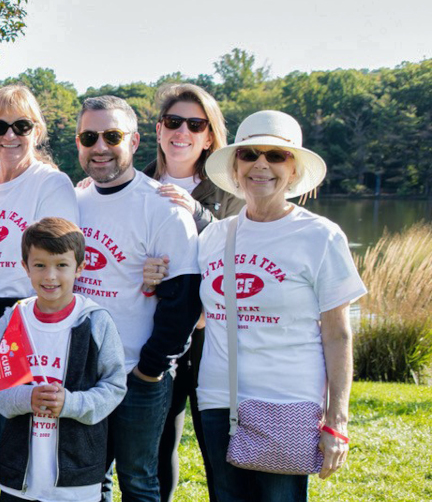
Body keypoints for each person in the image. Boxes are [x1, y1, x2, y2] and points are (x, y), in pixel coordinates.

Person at [195, 110, 363, 501]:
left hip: (286, 400)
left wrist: (337, 421)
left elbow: (337, 335)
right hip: (218, 398)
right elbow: (201, 316)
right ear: (235, 167)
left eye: (276, 155)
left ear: (293, 170)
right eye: (249, 154)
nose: (261, 165)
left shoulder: (320, 236)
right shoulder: (214, 237)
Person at [71, 95, 202, 502]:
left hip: (137, 375)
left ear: (134, 140)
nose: (100, 147)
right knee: (88, 480)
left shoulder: (163, 208)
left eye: (112, 136)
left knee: (139, 481)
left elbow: (183, 302)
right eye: (89, 137)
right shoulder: (71, 202)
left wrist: (150, 369)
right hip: (80, 373)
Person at [0, 84, 80, 501]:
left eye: (21, 126)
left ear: (37, 131)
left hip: (27, 321)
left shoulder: (51, 184)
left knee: (26, 445)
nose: (9, 135)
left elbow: (58, 259)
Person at [138, 83, 242, 501]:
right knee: (158, 442)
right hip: (154, 333)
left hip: (209, 337)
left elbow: (239, 255)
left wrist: (197, 212)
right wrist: (145, 273)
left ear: (210, 136)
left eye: (195, 125)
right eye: (173, 121)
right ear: (159, 129)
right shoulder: (136, 183)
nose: (182, 132)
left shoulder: (231, 191)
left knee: (219, 447)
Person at [0, 217, 127, 502]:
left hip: (77, 477)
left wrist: (70, 403)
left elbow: (114, 386)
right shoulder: (15, 319)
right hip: (20, 479)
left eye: (61, 265)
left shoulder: (95, 321)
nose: (50, 276)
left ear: (80, 267)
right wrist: (26, 398)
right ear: (25, 267)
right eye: (39, 265)